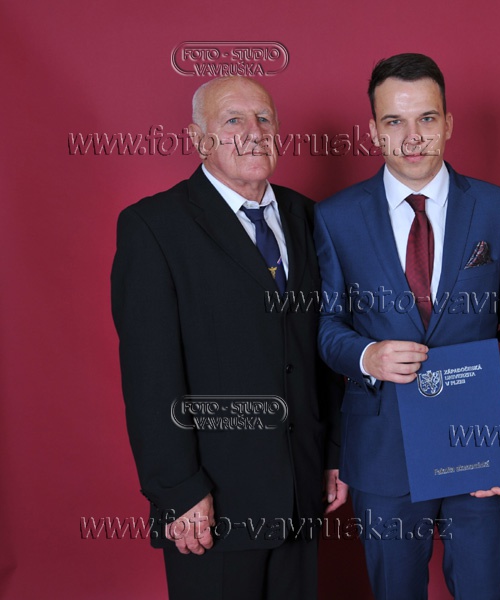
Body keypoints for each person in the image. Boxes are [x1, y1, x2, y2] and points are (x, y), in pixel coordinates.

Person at [111, 75, 345, 600]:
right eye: (233, 120)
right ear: (198, 139)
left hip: (301, 491)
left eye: (264, 118)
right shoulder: (154, 226)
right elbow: (150, 376)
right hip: (210, 503)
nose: (253, 132)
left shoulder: (311, 217)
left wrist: (332, 453)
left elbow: (322, 346)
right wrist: (178, 490)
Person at [314, 53, 500, 599]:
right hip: (382, 449)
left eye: (427, 119)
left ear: (448, 123)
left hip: (479, 446)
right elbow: (325, 324)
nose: (412, 137)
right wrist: (366, 356)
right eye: (394, 121)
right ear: (373, 130)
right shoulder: (335, 217)